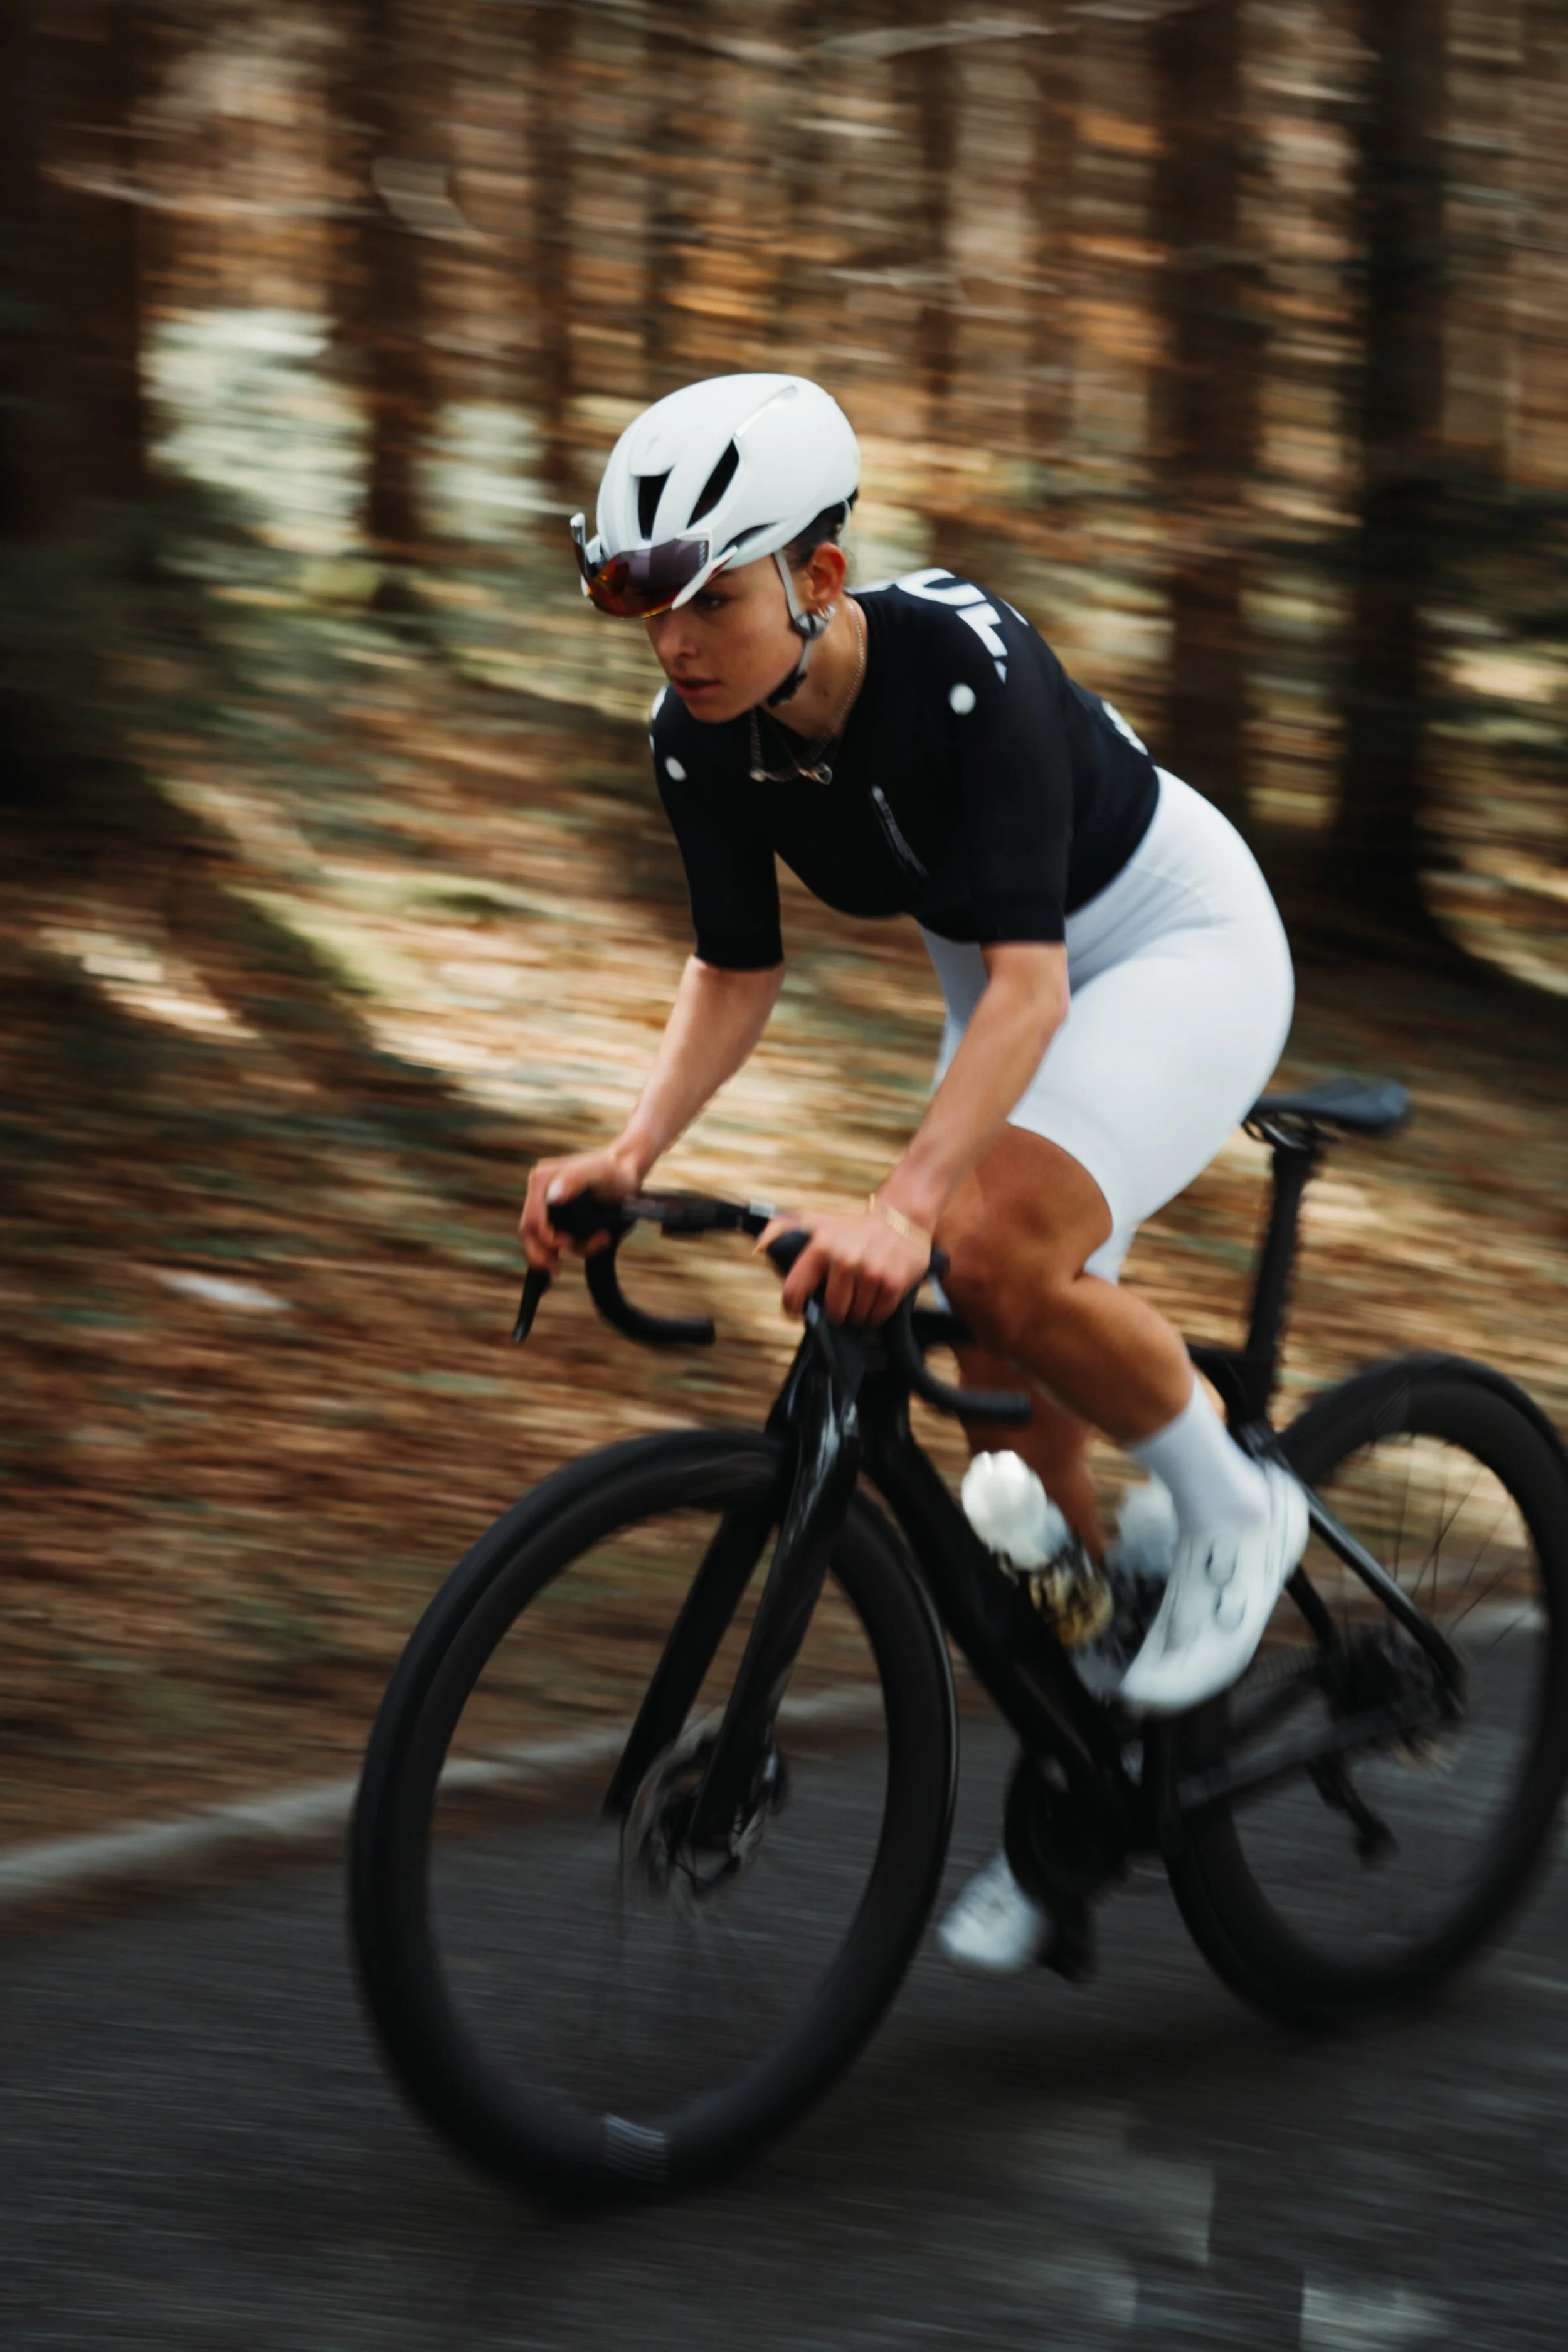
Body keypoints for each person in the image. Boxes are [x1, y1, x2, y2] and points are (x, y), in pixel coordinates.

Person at [519, 371, 1305, 1977]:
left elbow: (1034, 993)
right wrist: (627, 1151)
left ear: (816, 577)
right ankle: (1097, 1748)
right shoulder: (701, 739)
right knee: (1005, 1421)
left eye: (706, 601)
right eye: (641, 605)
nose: (672, 644)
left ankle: (1235, 1512)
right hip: (1004, 965)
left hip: (1167, 941)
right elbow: (732, 971)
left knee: (987, 1251)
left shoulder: (966, 670)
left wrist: (905, 1204)